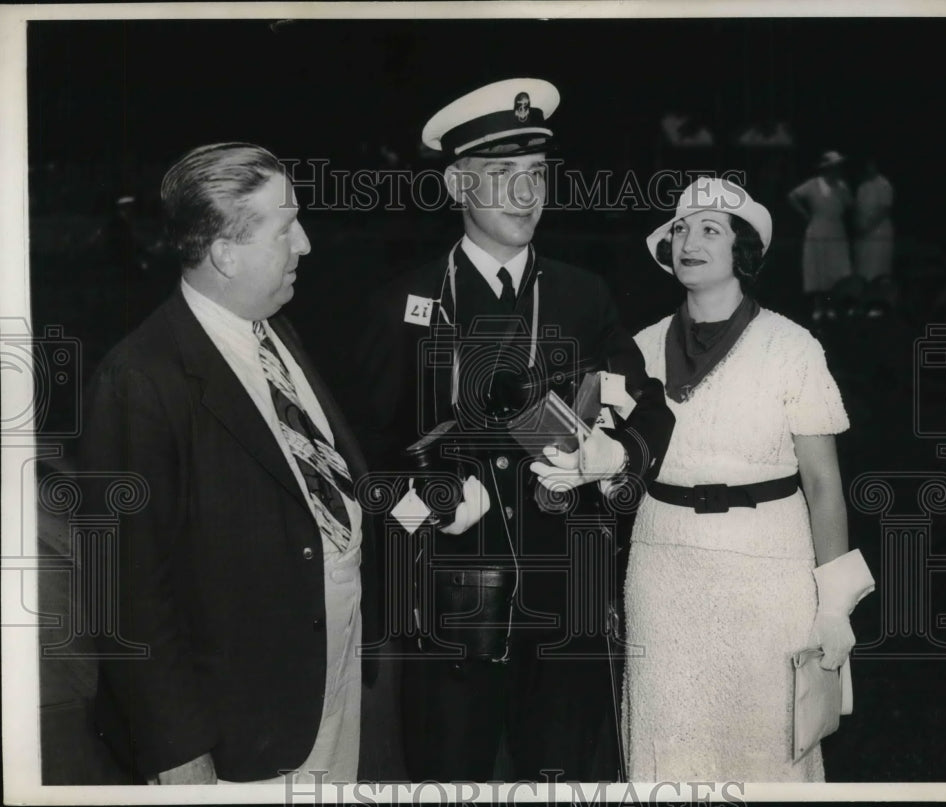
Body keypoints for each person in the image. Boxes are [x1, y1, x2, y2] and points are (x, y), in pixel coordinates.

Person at [358, 78, 673, 782]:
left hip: (567, 609)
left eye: (535, 176)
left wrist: (613, 453)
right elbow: (364, 462)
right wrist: (430, 496)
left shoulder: (581, 294)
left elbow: (648, 406)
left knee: (561, 778)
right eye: (501, 176)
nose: (525, 195)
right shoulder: (404, 306)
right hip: (451, 612)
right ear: (457, 186)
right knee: (450, 779)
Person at [78, 143, 377, 784]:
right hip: (241, 725)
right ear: (225, 252)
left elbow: (306, 472)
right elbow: (126, 592)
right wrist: (178, 750)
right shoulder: (140, 381)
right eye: (286, 225)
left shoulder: (273, 329)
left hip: (326, 679)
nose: (305, 244)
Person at [623, 177, 874, 781]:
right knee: (667, 738)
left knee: (766, 743)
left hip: (768, 570)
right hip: (664, 571)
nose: (689, 241)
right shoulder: (639, 347)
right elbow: (626, 465)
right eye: (681, 229)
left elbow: (823, 486)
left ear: (743, 251)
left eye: (711, 230)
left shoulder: (792, 347)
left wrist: (834, 605)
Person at [788, 150, 854, 322]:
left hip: (836, 230)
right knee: (818, 267)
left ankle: (832, 306)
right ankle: (819, 307)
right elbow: (793, 196)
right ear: (828, 168)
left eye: (839, 167)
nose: (837, 170)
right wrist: (805, 214)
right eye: (835, 167)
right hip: (818, 228)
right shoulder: (813, 184)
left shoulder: (841, 186)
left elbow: (849, 204)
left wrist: (841, 191)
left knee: (835, 268)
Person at [853, 157, 895, 283]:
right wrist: (858, 227)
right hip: (863, 234)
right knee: (862, 268)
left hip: (879, 232)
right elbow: (857, 209)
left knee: (877, 269)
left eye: (872, 164)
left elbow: (884, 210)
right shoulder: (862, 186)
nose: (869, 167)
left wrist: (868, 228)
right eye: (867, 165)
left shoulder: (884, 185)